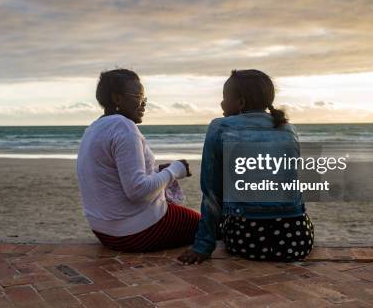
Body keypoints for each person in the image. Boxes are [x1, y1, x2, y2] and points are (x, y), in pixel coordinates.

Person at [178, 69, 314, 264]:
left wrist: (203, 246)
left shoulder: (220, 127)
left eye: (225, 97)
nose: (221, 103)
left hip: (247, 239)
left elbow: (211, 192)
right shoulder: (288, 129)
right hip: (297, 239)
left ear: (240, 102)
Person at [77, 69, 201, 252]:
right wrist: (174, 170)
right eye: (138, 96)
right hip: (136, 232)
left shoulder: (94, 128)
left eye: (144, 98)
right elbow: (138, 191)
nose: (144, 104)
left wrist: (157, 171)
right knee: (208, 227)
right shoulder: (124, 127)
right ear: (117, 99)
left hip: (104, 232)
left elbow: (116, 176)